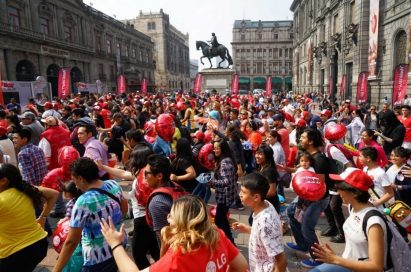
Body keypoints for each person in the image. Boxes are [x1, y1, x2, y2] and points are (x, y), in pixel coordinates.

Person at [100, 195, 248, 272]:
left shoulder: (179, 256)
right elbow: (241, 265)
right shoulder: (217, 234)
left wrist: (115, 244)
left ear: (182, 222)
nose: (167, 218)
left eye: (171, 215)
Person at [53, 157, 128, 272]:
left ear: (81, 179)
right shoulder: (113, 184)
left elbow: (71, 242)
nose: (76, 186)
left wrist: (56, 270)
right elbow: (124, 209)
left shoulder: (83, 201)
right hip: (118, 245)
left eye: (75, 181)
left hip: (98, 258)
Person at [311, 168, 387, 272]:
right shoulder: (352, 207)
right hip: (348, 264)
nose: (337, 192)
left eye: (340, 188)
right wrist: (335, 257)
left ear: (355, 193)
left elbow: (376, 267)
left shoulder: (373, 222)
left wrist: (335, 259)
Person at [98, 143, 160, 269]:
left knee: (138, 253)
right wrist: (103, 166)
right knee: (154, 249)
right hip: (148, 219)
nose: (131, 160)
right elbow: (122, 174)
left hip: (142, 219)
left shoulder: (145, 177)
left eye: (133, 157)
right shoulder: (146, 174)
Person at [0, 164, 58, 271]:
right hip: (39, 245)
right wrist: (43, 217)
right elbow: (54, 194)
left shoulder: (2, 200)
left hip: (15, 254)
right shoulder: (25, 189)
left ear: (3, 181)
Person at [286, 129, 331, 268]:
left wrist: (306, 204)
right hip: (305, 197)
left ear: (310, 141)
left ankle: (318, 260)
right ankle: (302, 244)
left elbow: (320, 185)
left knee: (307, 228)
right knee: (290, 212)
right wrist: (285, 168)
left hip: (317, 200)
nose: (300, 139)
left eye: (303, 137)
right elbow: (301, 171)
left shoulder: (320, 160)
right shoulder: (308, 156)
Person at [233, 172, 287, 272]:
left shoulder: (264, 223)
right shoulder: (266, 204)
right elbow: (264, 234)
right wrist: (248, 229)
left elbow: (281, 261)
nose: (239, 194)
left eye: (243, 192)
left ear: (256, 197)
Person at [209, 139, 237, 244]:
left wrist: (212, 182)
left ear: (223, 149)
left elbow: (226, 181)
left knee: (219, 221)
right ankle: (230, 241)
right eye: (214, 148)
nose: (215, 150)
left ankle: (229, 242)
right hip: (227, 196)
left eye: (217, 148)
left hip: (225, 197)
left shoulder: (225, 162)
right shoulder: (225, 159)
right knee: (223, 219)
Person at [255, 144, 280, 212]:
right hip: (263, 204)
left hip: (269, 206)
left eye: (260, 154)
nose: (257, 156)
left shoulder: (268, 171)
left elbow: (272, 192)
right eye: (257, 153)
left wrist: (255, 197)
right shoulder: (261, 166)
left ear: (267, 156)